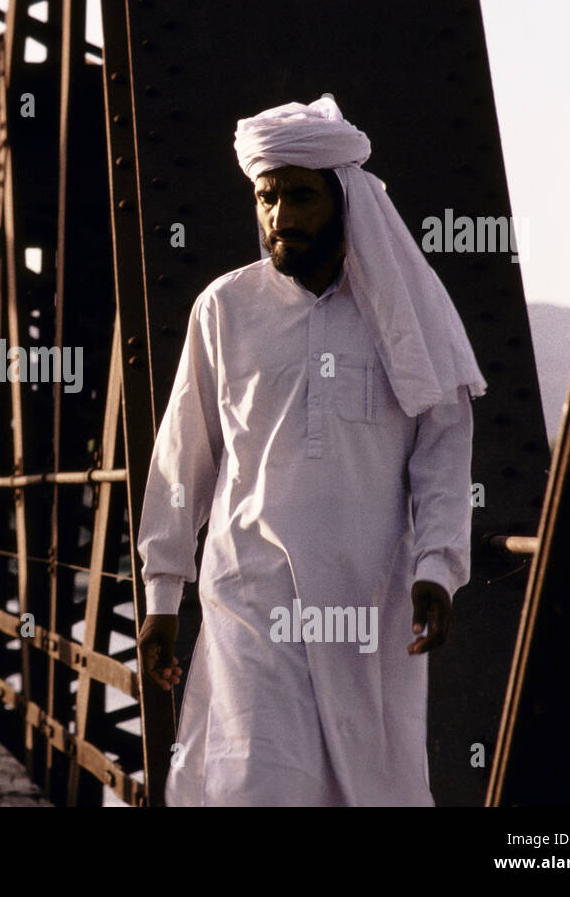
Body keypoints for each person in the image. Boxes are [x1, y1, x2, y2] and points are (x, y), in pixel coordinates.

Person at [135, 97, 486, 806]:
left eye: (300, 195)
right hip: (250, 596)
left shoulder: (400, 311)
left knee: (362, 788)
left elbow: (443, 446)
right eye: (268, 195)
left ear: (344, 197)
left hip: (369, 605)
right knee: (260, 785)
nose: (280, 214)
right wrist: (162, 590)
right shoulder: (224, 308)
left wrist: (439, 565)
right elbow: (183, 457)